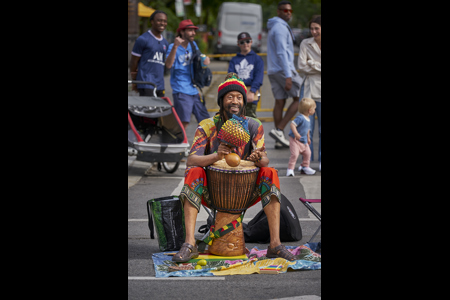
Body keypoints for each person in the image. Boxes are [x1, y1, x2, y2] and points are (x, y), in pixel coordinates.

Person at [172, 73, 296, 263]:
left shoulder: (254, 125)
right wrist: (216, 156)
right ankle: (190, 244)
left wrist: (258, 157)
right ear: (222, 101)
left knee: (269, 173)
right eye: (230, 97)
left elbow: (265, 161)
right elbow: (191, 160)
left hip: (246, 191)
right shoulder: (207, 126)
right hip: (212, 191)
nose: (235, 101)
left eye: (239, 97)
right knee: (193, 172)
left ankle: (275, 244)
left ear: (244, 101)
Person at [266, 1, 303, 149]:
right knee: (301, 97)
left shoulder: (275, 26)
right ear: (278, 11)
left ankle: (278, 139)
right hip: (283, 70)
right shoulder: (280, 28)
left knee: (280, 101)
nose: (288, 13)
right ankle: (279, 129)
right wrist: (288, 75)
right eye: (285, 10)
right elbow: (282, 53)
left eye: (290, 10)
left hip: (274, 70)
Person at [165, 19, 211, 130]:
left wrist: (205, 60)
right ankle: (180, 145)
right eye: (190, 30)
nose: (193, 33)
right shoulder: (172, 47)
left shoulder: (193, 44)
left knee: (206, 121)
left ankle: (207, 146)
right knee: (183, 122)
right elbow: (168, 65)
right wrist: (176, 47)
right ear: (182, 32)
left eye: (194, 30)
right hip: (181, 90)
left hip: (194, 88)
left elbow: (199, 58)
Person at [298, 15, 321, 171]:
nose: (313, 32)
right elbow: (301, 66)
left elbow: (307, 66)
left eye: (316, 28)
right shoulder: (305, 43)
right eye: (312, 28)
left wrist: (312, 63)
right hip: (309, 90)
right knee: (307, 129)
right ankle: (306, 163)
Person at [129, 10, 169, 97]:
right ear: (152, 22)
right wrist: (135, 81)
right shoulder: (143, 39)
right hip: (146, 83)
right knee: (148, 110)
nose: (162, 23)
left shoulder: (165, 42)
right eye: (159, 20)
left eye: (164, 21)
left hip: (160, 84)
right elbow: (133, 62)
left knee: (160, 110)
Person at [227, 32, 264, 118]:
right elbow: (231, 77)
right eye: (242, 42)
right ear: (238, 44)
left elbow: (258, 77)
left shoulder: (257, 59)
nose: (245, 44)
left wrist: (252, 91)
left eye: (247, 41)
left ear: (251, 42)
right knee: (235, 121)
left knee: (250, 121)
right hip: (237, 92)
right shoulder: (234, 60)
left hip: (251, 92)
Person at [286, 98, 317, 176]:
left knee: (308, 153)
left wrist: (308, 138)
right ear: (309, 110)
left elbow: (307, 130)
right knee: (295, 154)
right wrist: (296, 134)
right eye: (314, 109)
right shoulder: (300, 118)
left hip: (304, 141)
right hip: (295, 140)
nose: (315, 111)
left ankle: (305, 166)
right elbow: (292, 124)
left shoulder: (308, 118)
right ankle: (290, 169)